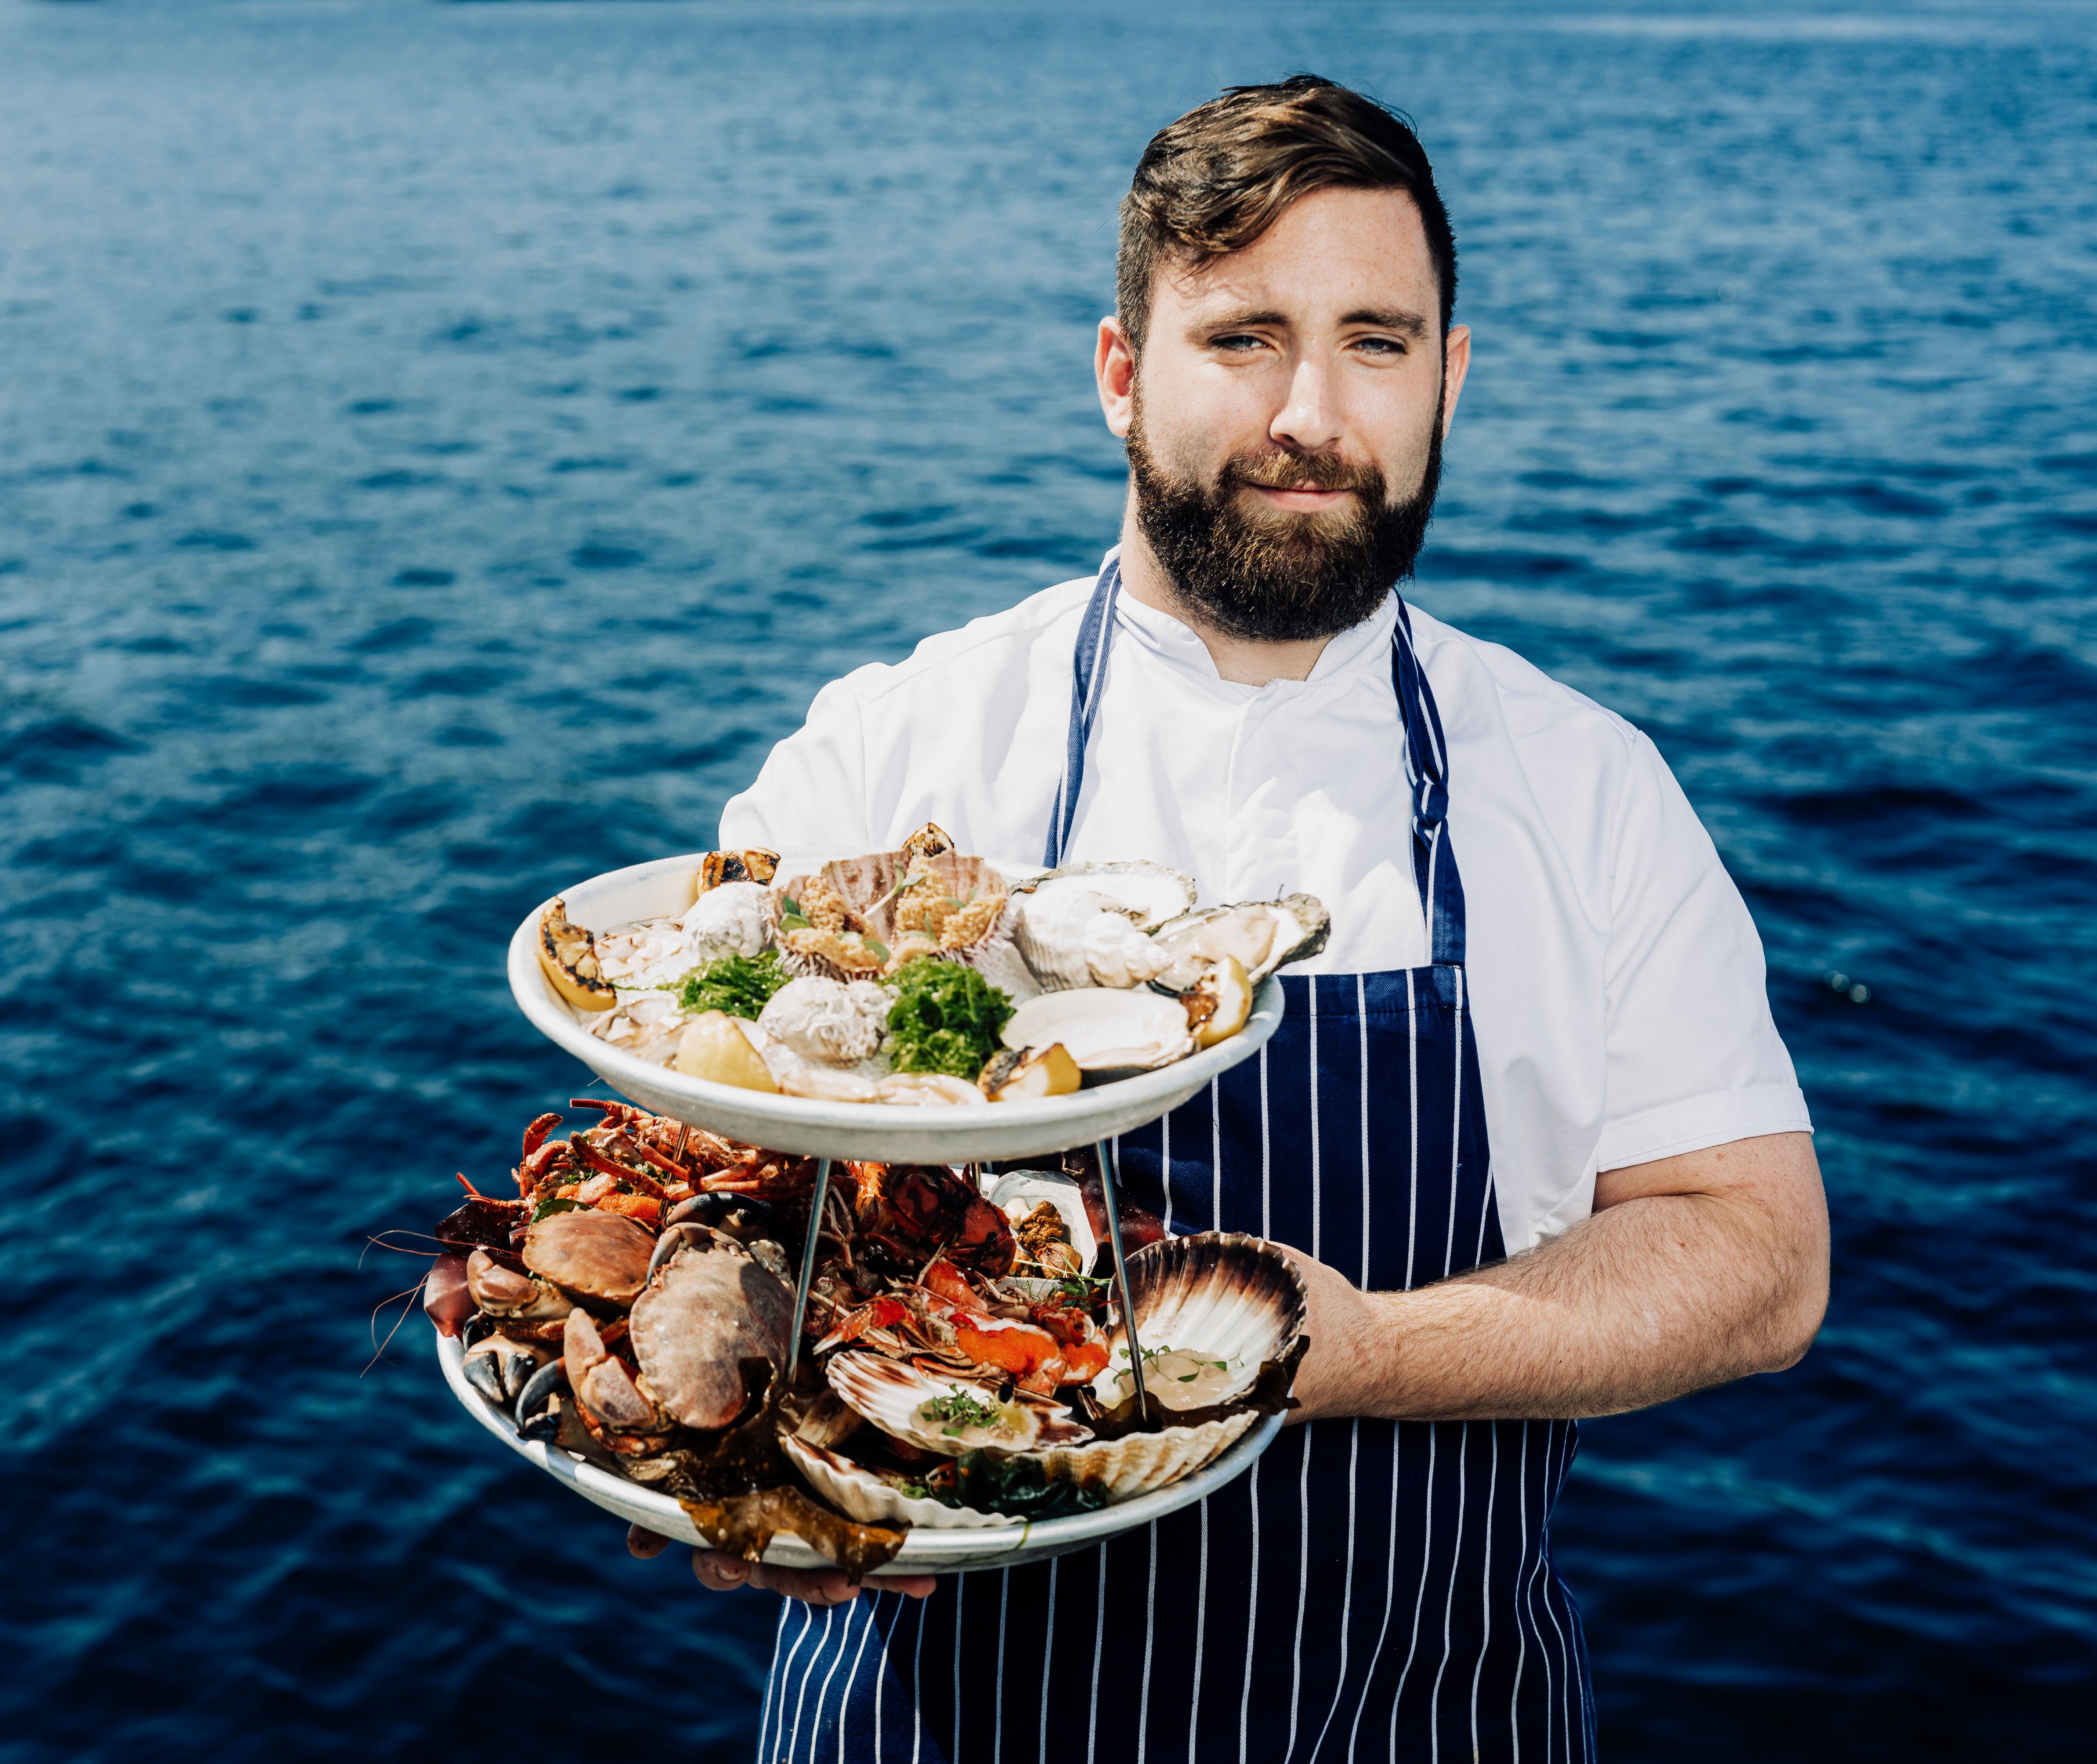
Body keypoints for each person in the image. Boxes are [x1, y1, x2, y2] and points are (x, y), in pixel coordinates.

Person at [624, 76, 1829, 1762]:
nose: (1312, 413)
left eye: (1378, 342)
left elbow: (1762, 1262)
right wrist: (739, 1449)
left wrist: (1362, 1354)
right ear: (1122, 375)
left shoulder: (1585, 787)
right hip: (913, 1721)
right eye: (1243, 335)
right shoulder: (898, 744)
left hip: (1425, 1720)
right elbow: (691, 1173)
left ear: (1451, 381)